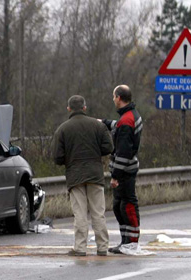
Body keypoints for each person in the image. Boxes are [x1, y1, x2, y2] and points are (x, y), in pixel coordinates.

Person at [53, 95, 113, 256]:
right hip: (95, 174)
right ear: (85, 108)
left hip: (75, 175)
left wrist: (70, 158)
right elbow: (109, 147)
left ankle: (80, 248)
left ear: (69, 109)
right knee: (98, 213)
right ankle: (102, 247)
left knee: (80, 213)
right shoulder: (98, 126)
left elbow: (57, 157)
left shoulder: (63, 129)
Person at [101, 85, 142, 254]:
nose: (113, 99)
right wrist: (102, 123)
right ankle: (126, 241)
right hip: (126, 169)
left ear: (118, 97)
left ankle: (131, 242)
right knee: (119, 206)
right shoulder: (130, 116)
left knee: (127, 206)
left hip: (124, 171)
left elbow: (123, 152)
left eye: (113, 96)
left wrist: (115, 176)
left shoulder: (127, 121)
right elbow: (117, 126)